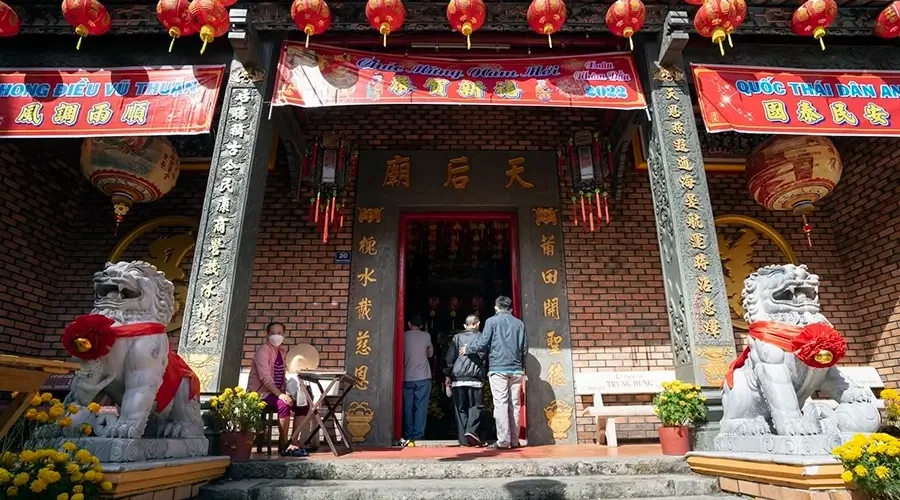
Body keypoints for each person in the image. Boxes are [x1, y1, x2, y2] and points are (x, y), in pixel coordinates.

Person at [460, 296, 527, 450]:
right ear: (510, 308)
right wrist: (521, 365)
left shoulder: (491, 321)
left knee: (501, 403)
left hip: (498, 368)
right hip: (516, 369)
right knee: (515, 404)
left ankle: (503, 441)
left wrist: (468, 349)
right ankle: (514, 440)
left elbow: (483, 342)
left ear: (496, 307)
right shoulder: (519, 324)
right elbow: (524, 347)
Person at [247, 322, 309, 456]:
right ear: (267, 334)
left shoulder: (282, 352)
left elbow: (281, 375)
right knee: (283, 404)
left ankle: (294, 441)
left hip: (277, 392)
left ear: (284, 335)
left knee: (303, 404)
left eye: (279, 333)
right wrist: (280, 395)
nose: (276, 336)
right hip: (261, 393)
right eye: (273, 333)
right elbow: (265, 378)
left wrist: (290, 391)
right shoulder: (262, 351)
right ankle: (283, 443)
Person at [444, 314, 487, 447]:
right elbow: (485, 357)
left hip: (458, 379)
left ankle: (464, 440)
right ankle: (472, 431)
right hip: (475, 378)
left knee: (460, 409)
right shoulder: (482, 337)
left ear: (465, 326)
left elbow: (450, 359)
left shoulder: (457, 338)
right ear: (478, 324)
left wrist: (447, 375)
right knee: (476, 406)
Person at [401, 314, 432, 447]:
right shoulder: (426, 336)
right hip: (423, 376)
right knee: (421, 406)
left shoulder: (403, 336)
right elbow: (430, 354)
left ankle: (408, 434)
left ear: (409, 324)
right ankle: (418, 434)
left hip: (407, 376)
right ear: (422, 325)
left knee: (408, 406)